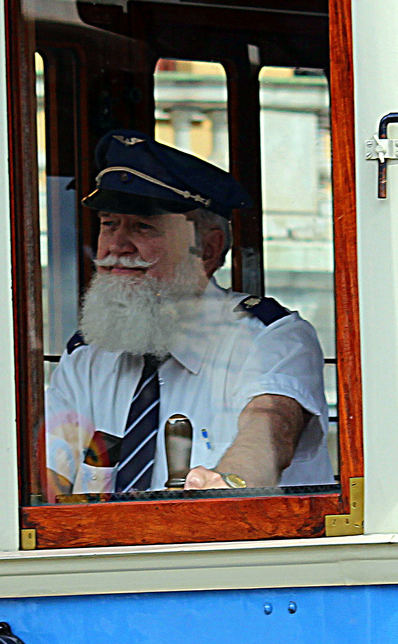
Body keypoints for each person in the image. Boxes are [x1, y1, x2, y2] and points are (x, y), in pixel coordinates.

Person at [43, 129, 331, 498]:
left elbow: (271, 423)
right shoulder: (87, 356)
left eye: (143, 227)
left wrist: (230, 483)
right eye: (109, 223)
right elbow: (50, 476)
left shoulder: (269, 337)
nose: (117, 245)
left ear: (206, 251)